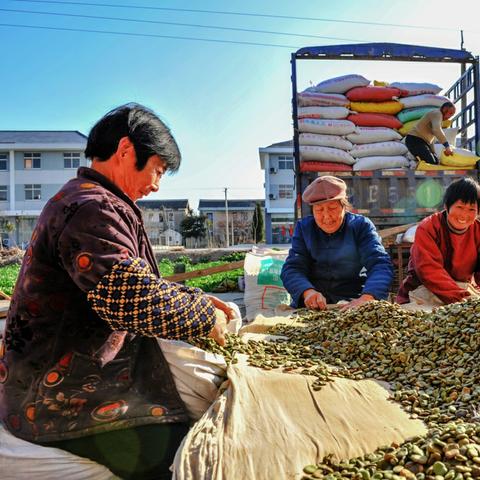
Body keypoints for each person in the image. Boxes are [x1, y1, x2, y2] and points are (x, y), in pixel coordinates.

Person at [0, 103, 233, 480]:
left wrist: (196, 298)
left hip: (76, 375)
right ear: (126, 150)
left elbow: (136, 279)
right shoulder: (90, 207)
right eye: (157, 170)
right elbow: (130, 297)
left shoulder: (96, 199)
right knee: (175, 456)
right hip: (56, 398)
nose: (157, 184)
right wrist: (204, 318)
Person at [280, 176, 393, 311]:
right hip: (312, 303)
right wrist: (307, 292)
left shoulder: (360, 226)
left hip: (353, 301)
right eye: (319, 210)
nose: (326, 217)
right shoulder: (304, 228)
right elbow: (292, 268)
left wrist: (367, 298)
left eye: (332, 208)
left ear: (344, 206)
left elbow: (379, 264)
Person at [397, 177, 480, 306]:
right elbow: (428, 270)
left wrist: (466, 299)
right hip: (424, 289)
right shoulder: (428, 227)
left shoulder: (478, 230)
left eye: (471, 210)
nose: (464, 215)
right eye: (459, 207)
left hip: (462, 290)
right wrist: (460, 299)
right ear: (446, 206)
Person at [405, 101, 456, 165]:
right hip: (414, 140)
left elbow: (431, 139)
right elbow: (437, 130)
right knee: (431, 162)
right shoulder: (437, 113)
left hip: (421, 142)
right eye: (450, 113)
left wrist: (433, 153)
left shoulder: (438, 117)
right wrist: (447, 146)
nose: (450, 116)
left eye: (452, 115)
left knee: (436, 162)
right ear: (444, 109)